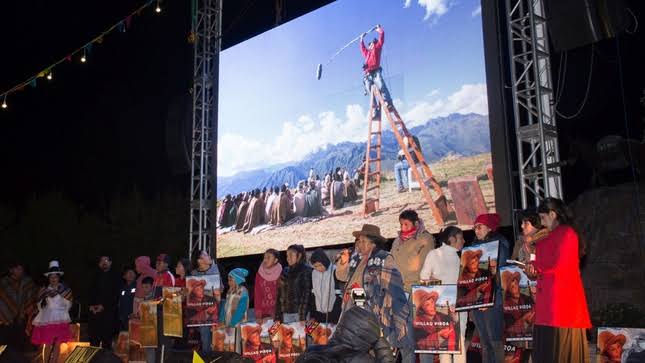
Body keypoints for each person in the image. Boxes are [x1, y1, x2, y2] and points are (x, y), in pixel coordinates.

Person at [526, 198, 591, 362]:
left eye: (542, 218)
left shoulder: (567, 233)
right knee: (546, 352)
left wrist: (537, 268)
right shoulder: (546, 237)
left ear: (553, 214)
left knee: (560, 352)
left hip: (562, 305)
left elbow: (562, 266)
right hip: (546, 304)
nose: (541, 223)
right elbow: (543, 263)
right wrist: (531, 269)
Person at [344, 224, 412, 361]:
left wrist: (398, 323)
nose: (359, 244)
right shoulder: (356, 259)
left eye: (363, 241)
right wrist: (342, 263)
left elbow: (395, 289)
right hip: (356, 314)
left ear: (373, 242)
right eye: (358, 241)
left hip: (376, 315)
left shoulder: (384, 258)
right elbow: (342, 276)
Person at [419, 226, 467, 363]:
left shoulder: (459, 256)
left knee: (444, 344)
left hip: (446, 305)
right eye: (461, 238)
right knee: (459, 343)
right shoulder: (458, 256)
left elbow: (424, 279)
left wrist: (438, 286)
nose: (463, 241)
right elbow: (424, 280)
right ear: (452, 239)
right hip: (454, 305)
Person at [470, 213, 510, 363]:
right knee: (485, 343)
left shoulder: (500, 245)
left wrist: (487, 297)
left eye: (479, 227)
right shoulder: (474, 247)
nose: (476, 230)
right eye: (474, 228)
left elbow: (499, 275)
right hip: (478, 300)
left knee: (495, 342)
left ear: (490, 227)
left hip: (493, 301)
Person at [31, 261, 73, 362]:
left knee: (57, 344)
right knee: (47, 343)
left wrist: (62, 309)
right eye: (51, 277)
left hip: (61, 318)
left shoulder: (65, 290)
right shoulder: (44, 290)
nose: (53, 279)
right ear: (48, 278)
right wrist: (42, 307)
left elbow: (69, 305)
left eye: (55, 277)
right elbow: (39, 305)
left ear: (59, 277)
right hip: (47, 319)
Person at [390, 209, 435, 294]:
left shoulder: (425, 238)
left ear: (416, 224)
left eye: (406, 224)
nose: (403, 227)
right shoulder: (397, 240)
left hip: (413, 288)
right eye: (401, 224)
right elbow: (390, 260)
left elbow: (422, 265)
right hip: (396, 287)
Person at [0, 261, 38, 350]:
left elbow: (34, 296)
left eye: (21, 268)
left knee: (17, 347)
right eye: (18, 268)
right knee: (3, 345)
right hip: (4, 321)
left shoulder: (27, 282)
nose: (20, 270)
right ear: (11, 270)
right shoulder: (3, 282)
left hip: (21, 320)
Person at [190, 250, 223, 353]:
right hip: (202, 311)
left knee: (219, 337)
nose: (209, 256)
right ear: (199, 260)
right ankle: (206, 356)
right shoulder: (193, 274)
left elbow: (221, 288)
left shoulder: (215, 269)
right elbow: (192, 295)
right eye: (206, 255)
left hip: (217, 307)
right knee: (205, 337)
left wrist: (216, 291)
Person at [87, 255, 121, 350]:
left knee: (107, 343)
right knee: (93, 343)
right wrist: (91, 306)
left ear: (110, 262)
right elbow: (88, 292)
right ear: (99, 264)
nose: (104, 262)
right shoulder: (93, 276)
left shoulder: (116, 277)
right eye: (101, 260)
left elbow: (116, 295)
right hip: (94, 315)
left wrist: (104, 306)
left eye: (106, 260)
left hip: (108, 315)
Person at [359, 25, 392, 117]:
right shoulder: (367, 53)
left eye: (372, 44)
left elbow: (381, 38)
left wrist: (379, 30)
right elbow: (362, 48)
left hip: (376, 71)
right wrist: (361, 39)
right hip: (368, 74)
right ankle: (375, 109)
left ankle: (388, 102)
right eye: (369, 45)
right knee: (370, 91)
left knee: (381, 84)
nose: (371, 46)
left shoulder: (377, 48)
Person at [276, 244, 313, 323]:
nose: (288, 258)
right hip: (286, 313)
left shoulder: (306, 270)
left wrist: (302, 316)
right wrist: (278, 315)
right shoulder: (285, 271)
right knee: (288, 334)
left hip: (300, 314)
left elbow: (306, 295)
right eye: (287, 255)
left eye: (291, 255)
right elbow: (280, 294)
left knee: (300, 335)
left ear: (299, 255)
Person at [309, 249, 342, 324]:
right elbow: (314, 294)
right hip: (318, 314)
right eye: (315, 266)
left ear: (325, 261)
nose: (318, 268)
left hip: (333, 313)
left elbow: (339, 295)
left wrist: (335, 313)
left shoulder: (335, 271)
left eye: (320, 265)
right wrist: (313, 315)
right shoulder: (314, 273)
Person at [502, 270, 535, 338]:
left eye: (515, 281)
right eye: (512, 286)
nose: (514, 284)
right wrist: (525, 321)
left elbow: (535, 310)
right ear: (508, 290)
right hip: (516, 342)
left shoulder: (527, 298)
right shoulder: (506, 306)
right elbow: (509, 330)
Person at [254, 249, 283, 320]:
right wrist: (258, 315)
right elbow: (257, 295)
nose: (265, 260)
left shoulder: (282, 273)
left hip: (279, 313)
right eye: (264, 257)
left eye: (268, 257)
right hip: (264, 314)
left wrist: (277, 313)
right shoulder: (259, 274)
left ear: (275, 260)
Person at [118, 267, 137, 331]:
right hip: (124, 318)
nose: (131, 275)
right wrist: (121, 315)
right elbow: (120, 302)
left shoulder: (138, 286)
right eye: (129, 273)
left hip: (134, 316)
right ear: (124, 276)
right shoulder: (122, 288)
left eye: (132, 273)